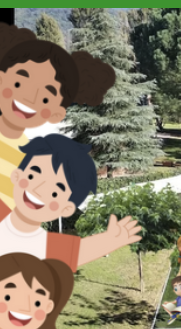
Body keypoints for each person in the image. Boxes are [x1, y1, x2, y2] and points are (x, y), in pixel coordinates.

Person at [0, 24, 115, 209]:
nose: (29, 98)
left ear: (56, 113)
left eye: (45, 97)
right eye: (20, 83)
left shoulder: (28, 151)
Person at [0, 135, 141, 272]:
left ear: (66, 209)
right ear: (16, 176)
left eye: (55, 192)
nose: (38, 190)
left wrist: (110, 240)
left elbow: (76, 252)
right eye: (33, 175)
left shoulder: (44, 245)